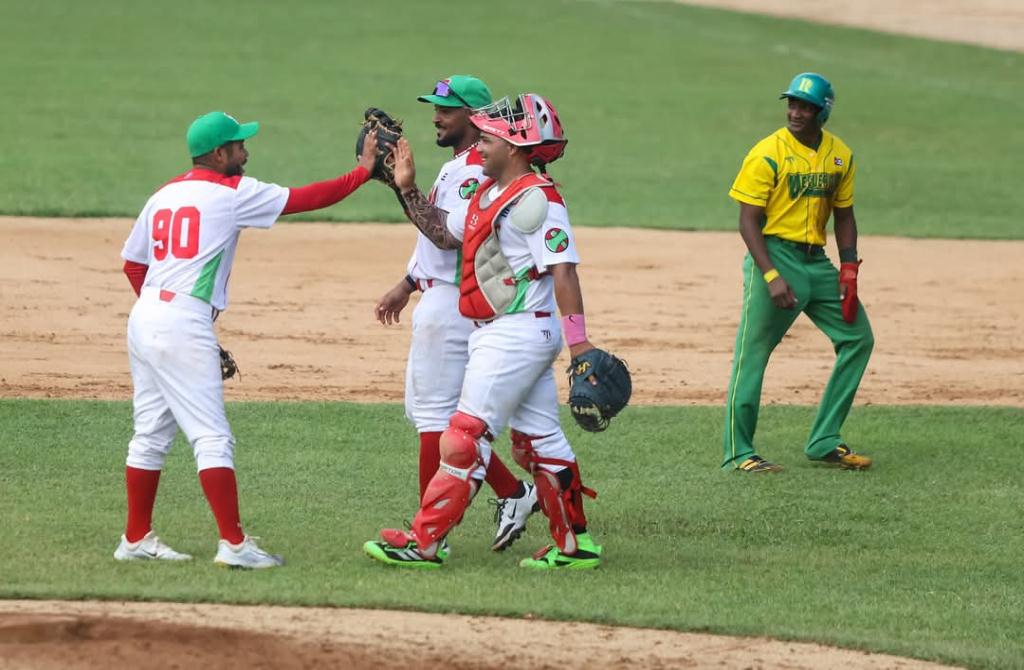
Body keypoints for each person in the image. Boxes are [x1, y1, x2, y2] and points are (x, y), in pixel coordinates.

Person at [116, 111, 379, 567]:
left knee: (150, 434)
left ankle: (136, 538)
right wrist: (362, 173)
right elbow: (305, 198)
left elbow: (133, 265)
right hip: (179, 321)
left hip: (145, 317)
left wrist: (165, 320)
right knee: (212, 438)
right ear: (219, 154)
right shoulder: (232, 193)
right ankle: (234, 546)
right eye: (238, 145)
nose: (245, 150)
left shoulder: (164, 193)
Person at [364, 93, 604, 570]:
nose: (482, 146)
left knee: (464, 436)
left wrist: (579, 344)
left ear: (514, 148)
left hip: (515, 334)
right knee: (539, 441)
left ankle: (424, 541)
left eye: (490, 139)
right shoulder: (489, 193)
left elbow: (564, 271)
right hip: (502, 333)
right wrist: (404, 188)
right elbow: (443, 231)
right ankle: (575, 546)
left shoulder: (538, 200)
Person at [373, 76, 538, 552]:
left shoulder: (472, 171)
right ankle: (512, 492)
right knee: (450, 423)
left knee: (434, 419)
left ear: (474, 117)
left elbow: (451, 237)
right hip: (444, 294)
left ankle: (429, 537)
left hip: (455, 303)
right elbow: (435, 244)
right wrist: (407, 284)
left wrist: (405, 190)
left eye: (446, 109)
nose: (435, 117)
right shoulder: (459, 167)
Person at [722, 73, 874, 473]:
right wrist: (770, 275)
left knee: (858, 337)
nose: (795, 112)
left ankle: (825, 438)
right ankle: (739, 453)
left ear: (823, 111)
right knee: (752, 354)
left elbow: (845, 215)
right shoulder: (767, 153)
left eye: (805, 106)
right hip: (774, 255)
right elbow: (748, 221)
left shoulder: (840, 155)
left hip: (817, 264)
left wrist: (849, 266)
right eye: (792, 103)